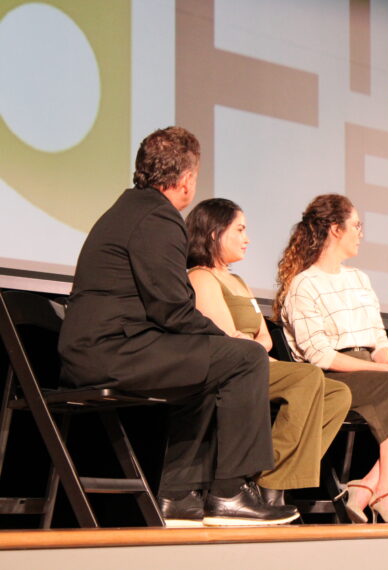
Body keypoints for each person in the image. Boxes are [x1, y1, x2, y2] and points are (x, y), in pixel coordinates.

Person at [58, 127, 298, 527]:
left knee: (208, 364)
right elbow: (172, 308)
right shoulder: (158, 217)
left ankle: (178, 495)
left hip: (106, 347)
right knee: (244, 357)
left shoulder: (132, 209)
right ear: (187, 180)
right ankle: (229, 492)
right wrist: (227, 340)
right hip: (110, 352)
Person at [275, 194, 388, 524]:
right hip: (333, 375)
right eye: (356, 225)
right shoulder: (303, 284)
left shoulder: (359, 279)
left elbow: (378, 338)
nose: (361, 233)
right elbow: (320, 355)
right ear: (335, 230)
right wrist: (382, 371)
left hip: (367, 368)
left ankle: (368, 488)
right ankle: (384, 492)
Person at [185, 198, 352, 507]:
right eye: (240, 229)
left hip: (258, 363)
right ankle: (265, 478)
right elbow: (228, 338)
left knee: (338, 394)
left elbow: (265, 338)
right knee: (307, 378)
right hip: (230, 371)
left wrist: (254, 345)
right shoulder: (201, 277)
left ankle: (270, 476)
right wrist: (253, 345)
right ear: (213, 233)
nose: (247, 238)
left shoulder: (238, 281)